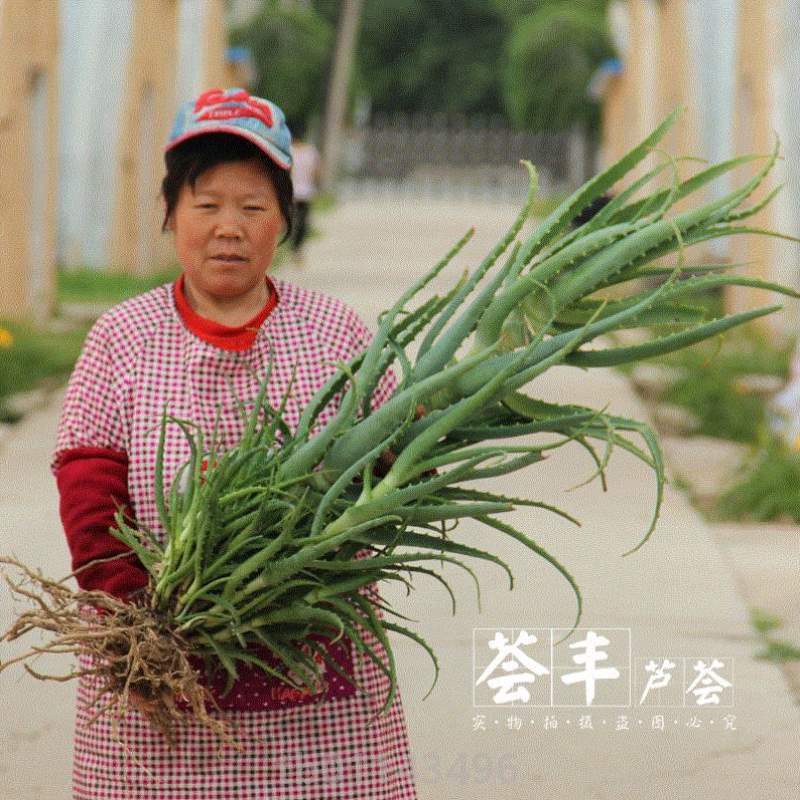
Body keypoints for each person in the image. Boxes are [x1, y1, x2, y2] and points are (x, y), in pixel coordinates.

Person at [52, 87, 418, 799]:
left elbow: (387, 468)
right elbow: (87, 486)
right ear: (169, 214)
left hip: (310, 662)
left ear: (284, 220)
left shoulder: (337, 334)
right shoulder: (121, 337)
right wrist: (131, 616)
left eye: (253, 207)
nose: (229, 227)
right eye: (206, 204)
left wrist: (415, 437)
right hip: (158, 655)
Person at [288, 128, 321, 266]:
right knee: (298, 223)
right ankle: (295, 248)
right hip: (296, 193)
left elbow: (316, 170)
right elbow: (317, 171)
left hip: (302, 193)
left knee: (300, 223)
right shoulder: (308, 152)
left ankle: (296, 248)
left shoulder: (290, 152)